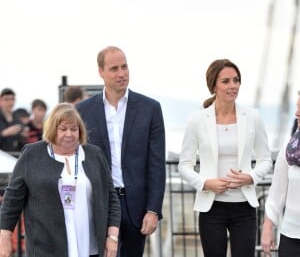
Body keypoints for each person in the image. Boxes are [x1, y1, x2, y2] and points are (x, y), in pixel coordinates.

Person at [76, 46, 166, 257]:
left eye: (124, 67)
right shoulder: (83, 111)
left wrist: (153, 210)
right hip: (99, 204)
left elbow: (156, 163)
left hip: (136, 206)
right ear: (101, 72)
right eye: (114, 68)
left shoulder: (150, 108)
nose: (122, 73)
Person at [178, 59, 272, 257]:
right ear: (214, 85)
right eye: (226, 81)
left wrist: (251, 177)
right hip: (211, 208)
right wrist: (205, 183)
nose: (233, 86)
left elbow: (265, 160)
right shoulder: (197, 120)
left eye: (236, 80)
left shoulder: (253, 117)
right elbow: (184, 166)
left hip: (244, 208)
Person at [0, 103, 121, 257]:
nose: (69, 134)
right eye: (63, 129)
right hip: (46, 248)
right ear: (52, 130)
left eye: (74, 129)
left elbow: (111, 199)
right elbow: (12, 200)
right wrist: (4, 238)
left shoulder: (94, 155)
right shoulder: (32, 154)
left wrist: (112, 237)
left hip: (90, 247)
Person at [261, 91, 300, 256]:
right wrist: (267, 228)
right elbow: (277, 193)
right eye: (297, 106)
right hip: (290, 237)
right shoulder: (289, 149)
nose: (297, 113)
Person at [0, 88, 26, 153]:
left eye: (12, 99)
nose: (10, 102)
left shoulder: (17, 118)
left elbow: (21, 142)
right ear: (1, 100)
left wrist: (23, 136)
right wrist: (3, 134)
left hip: (15, 155)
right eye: (6, 99)